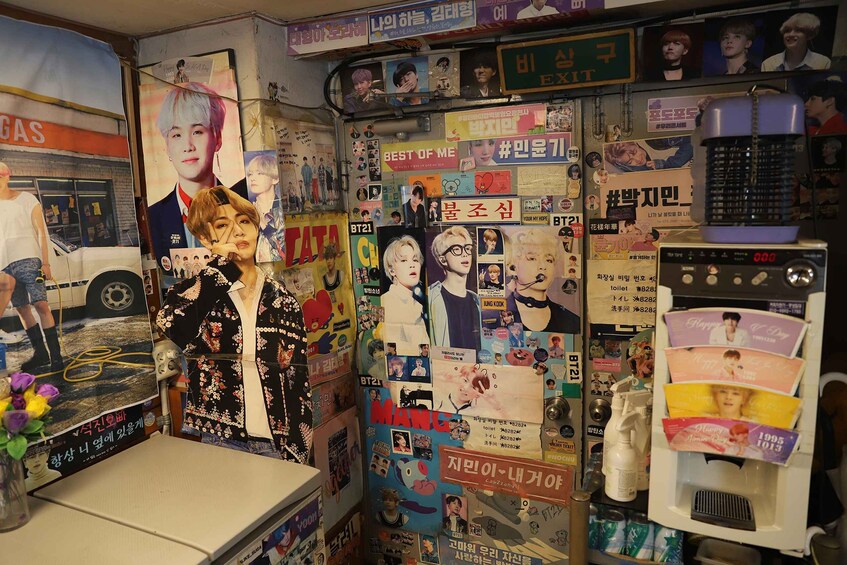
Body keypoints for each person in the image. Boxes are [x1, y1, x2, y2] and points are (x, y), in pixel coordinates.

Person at [156, 186, 312, 462]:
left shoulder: (283, 301)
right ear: (205, 238)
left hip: (278, 444)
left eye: (244, 221)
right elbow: (172, 326)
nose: (238, 231)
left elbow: (298, 382)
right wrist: (219, 269)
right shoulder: (197, 292)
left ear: (256, 228)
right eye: (223, 225)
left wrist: (299, 449)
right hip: (220, 441)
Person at [148, 83, 249, 271]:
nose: (188, 146)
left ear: (217, 139)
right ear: (167, 146)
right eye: (176, 135)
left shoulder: (245, 205)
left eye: (197, 132)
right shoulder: (152, 218)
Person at [0, 162, 63, 371]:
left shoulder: (27, 199)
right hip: (4, 264)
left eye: (0, 175)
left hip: (29, 259)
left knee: (41, 304)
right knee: (21, 308)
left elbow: (41, 231)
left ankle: (56, 357)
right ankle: (41, 354)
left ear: (8, 176)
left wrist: (46, 262)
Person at [505, 229, 580, 333]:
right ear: (513, 267)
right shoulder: (493, 315)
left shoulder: (572, 321)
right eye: (532, 258)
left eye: (549, 260)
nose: (543, 266)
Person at [428, 227, 481, 350]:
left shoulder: (477, 301)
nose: (465, 254)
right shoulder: (431, 297)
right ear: (443, 260)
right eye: (456, 249)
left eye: (468, 248)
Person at [381, 236, 429, 355]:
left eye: (415, 260)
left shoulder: (417, 304)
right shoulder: (387, 301)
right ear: (392, 270)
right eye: (404, 260)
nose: (412, 265)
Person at [246, 154, 285, 263]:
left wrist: (263, 224)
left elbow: (283, 249)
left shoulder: (282, 210)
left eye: (259, 173)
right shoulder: (246, 208)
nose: (252, 178)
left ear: (275, 179)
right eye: (250, 174)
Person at [762, 13, 831, 72]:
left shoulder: (824, 63)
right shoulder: (768, 64)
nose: (791, 34)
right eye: (787, 30)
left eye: (798, 30)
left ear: (810, 35)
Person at [604, 138, 693, 173]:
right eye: (630, 162)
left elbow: (692, 142)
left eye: (635, 152)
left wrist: (666, 164)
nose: (637, 160)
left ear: (636, 143)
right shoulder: (637, 169)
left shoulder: (655, 140)